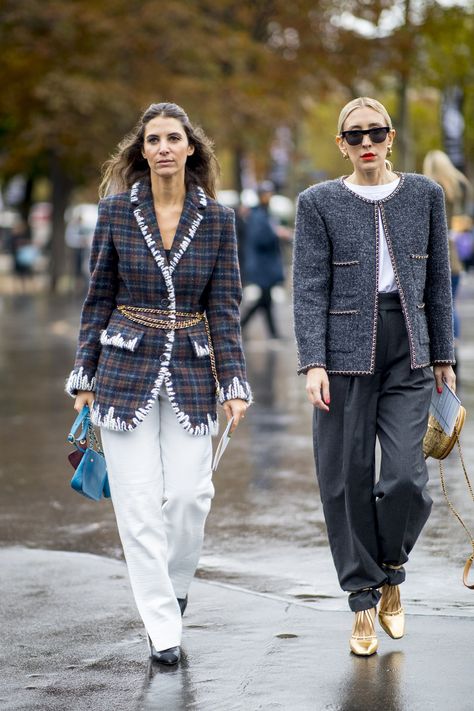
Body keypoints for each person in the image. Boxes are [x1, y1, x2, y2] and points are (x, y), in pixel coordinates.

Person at [66, 102, 252, 666]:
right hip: (123, 369)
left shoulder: (218, 219)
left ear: (190, 147)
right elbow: (97, 296)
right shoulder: (117, 212)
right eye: (154, 140)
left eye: (174, 138)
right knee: (138, 505)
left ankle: (173, 586)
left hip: (194, 370)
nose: (165, 147)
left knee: (193, 496)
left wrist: (234, 381)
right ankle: (162, 627)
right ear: (141, 151)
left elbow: (224, 307)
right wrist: (84, 376)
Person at [293, 97, 455, 656]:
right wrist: (312, 361)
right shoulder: (317, 202)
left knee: (407, 478)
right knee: (345, 478)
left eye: (377, 132)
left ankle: (390, 568)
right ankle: (362, 601)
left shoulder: (425, 196)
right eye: (355, 134)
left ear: (390, 139)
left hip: (410, 348)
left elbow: (438, 282)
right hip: (341, 354)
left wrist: (445, 356)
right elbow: (309, 286)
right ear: (342, 143)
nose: (367, 142)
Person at [423, 150, 473, 372]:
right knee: (450, 303)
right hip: (455, 257)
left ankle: (444, 348)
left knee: (442, 303)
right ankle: (453, 344)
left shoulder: (433, 189)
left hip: (438, 255)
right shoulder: (459, 188)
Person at [240, 181, 285, 338]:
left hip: (266, 264)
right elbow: (260, 239)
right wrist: (276, 234)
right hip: (261, 265)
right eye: (266, 193)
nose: (269, 196)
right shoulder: (257, 215)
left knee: (266, 300)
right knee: (264, 300)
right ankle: (240, 326)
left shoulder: (265, 213)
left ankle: (273, 333)